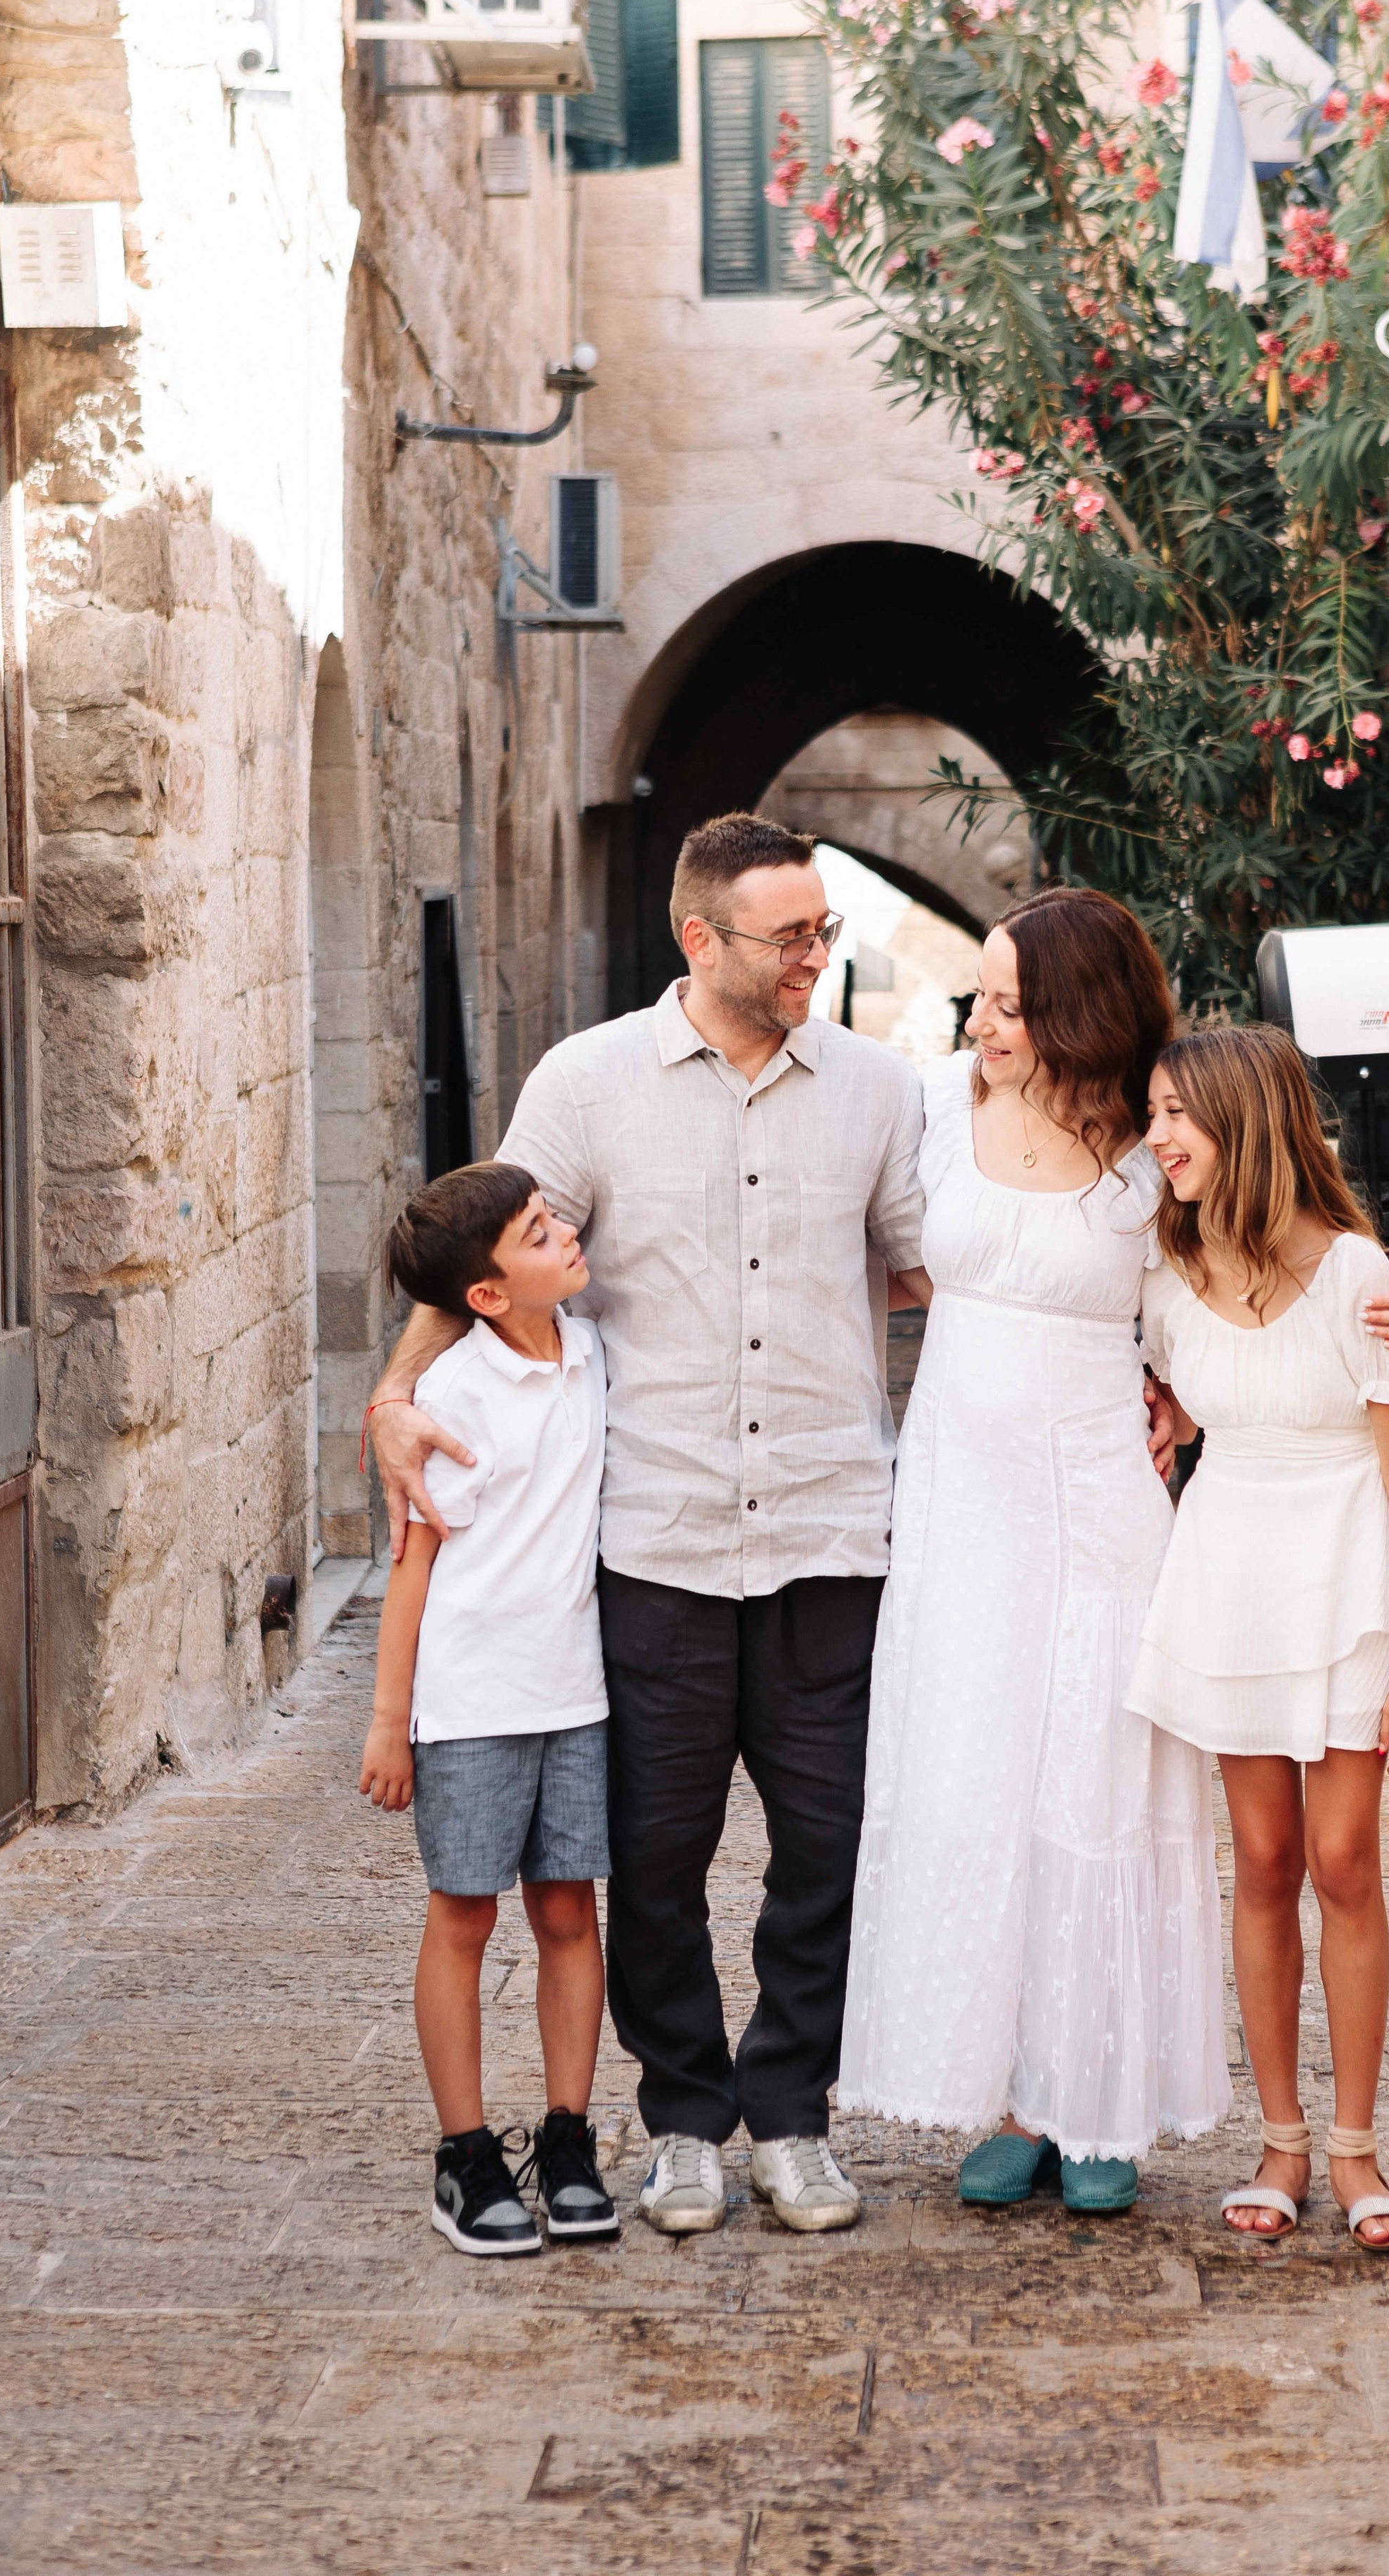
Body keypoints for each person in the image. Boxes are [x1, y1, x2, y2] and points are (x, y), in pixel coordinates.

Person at [365, 814, 934, 2238]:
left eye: (823, 931)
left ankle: (790, 2117)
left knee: (823, 1849)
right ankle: (682, 2119)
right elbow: (475, 1251)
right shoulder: (589, 1082)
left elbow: (944, 1272)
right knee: (655, 1859)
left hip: (825, 1533)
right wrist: (391, 1391)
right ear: (701, 940)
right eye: (788, 935)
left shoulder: (876, 1090)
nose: (814, 954)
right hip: (655, 1542)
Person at [838, 894, 1389, 2213]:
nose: (984, 1023)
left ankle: (1090, 2100)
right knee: (978, 1773)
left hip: (1104, 1501)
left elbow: (1254, 1271)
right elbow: (860, 1249)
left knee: (1098, 1790)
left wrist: (1388, 1306)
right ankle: (1000, 2100)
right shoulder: (929, 1109)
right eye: (980, 1000)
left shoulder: (1152, 1162)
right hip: (958, 1498)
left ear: (1081, 1013)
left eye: (1009, 1002)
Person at [1127, 1021, 1389, 2254]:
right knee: (1262, 1866)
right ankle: (1278, 2141)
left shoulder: (1357, 1278)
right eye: (1152, 1112)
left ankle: (1359, 2152)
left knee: (1345, 1865)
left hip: (1346, 1575)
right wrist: (1159, 1407)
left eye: (1176, 1113)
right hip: (1228, 1569)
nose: (1156, 1134)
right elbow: (1154, 1389)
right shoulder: (1165, 1274)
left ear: (1245, 1119)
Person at [360, 1160, 617, 2255]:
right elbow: (414, 1567)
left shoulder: (595, 1354)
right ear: (485, 1294)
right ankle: (466, 2156)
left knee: (568, 1911)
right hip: (469, 1702)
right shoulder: (452, 1397)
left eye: (551, 1216)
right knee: (464, 1916)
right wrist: (388, 1720)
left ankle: (567, 2139)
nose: (560, 1231)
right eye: (533, 1230)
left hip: (578, 1692)